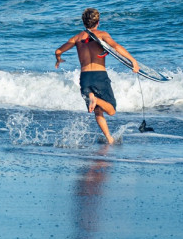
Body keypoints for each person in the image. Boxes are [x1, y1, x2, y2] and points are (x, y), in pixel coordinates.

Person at [54, 8, 138, 145]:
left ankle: (109, 138)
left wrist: (58, 60)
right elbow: (116, 46)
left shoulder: (76, 38)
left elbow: (58, 51)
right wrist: (133, 61)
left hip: (85, 78)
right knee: (111, 110)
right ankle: (96, 99)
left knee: (98, 111)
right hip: (99, 76)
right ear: (98, 22)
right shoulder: (102, 34)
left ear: (83, 22)